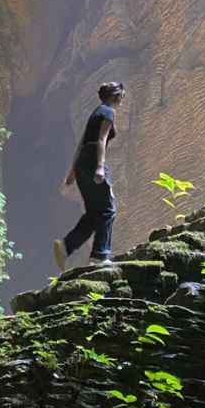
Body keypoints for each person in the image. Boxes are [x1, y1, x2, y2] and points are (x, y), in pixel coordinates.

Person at [54, 82, 124, 271]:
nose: (121, 103)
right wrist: (100, 167)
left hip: (82, 163)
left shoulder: (95, 113)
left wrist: (72, 170)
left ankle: (66, 246)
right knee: (108, 210)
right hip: (94, 162)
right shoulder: (108, 112)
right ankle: (99, 256)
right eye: (121, 99)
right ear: (116, 97)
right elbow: (101, 140)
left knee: (94, 212)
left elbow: (81, 142)